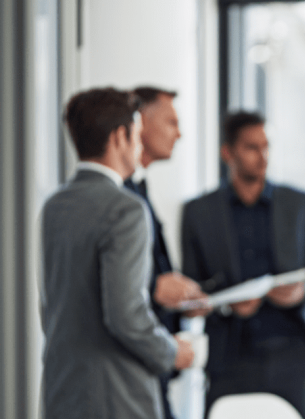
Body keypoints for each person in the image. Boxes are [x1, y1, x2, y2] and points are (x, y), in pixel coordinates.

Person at [40, 87, 194, 419]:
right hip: (117, 397)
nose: (140, 145)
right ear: (120, 136)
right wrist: (172, 352)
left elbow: (50, 306)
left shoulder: (53, 206)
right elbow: (126, 316)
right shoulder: (126, 209)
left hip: (61, 391)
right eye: (138, 133)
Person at [181, 111, 305, 419]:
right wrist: (226, 304)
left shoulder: (297, 203)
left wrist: (301, 293)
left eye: (265, 146)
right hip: (229, 354)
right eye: (252, 147)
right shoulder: (199, 212)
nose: (262, 156)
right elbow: (191, 289)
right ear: (228, 153)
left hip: (291, 351)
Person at [126, 86, 209, 419]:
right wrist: (155, 287)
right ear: (139, 124)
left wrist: (179, 299)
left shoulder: (139, 187)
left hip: (154, 365)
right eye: (171, 122)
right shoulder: (120, 197)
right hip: (134, 372)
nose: (180, 133)